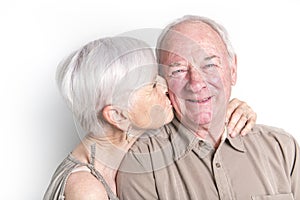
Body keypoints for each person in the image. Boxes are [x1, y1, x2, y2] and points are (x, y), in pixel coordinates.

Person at [44, 36, 256, 200]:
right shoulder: (86, 190)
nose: (165, 88)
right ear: (117, 115)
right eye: (153, 85)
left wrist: (227, 111)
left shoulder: (128, 147)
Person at [116, 16, 300, 200]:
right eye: (178, 70)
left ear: (233, 70)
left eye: (209, 65)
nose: (196, 83)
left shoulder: (282, 148)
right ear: (162, 80)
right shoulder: (141, 162)